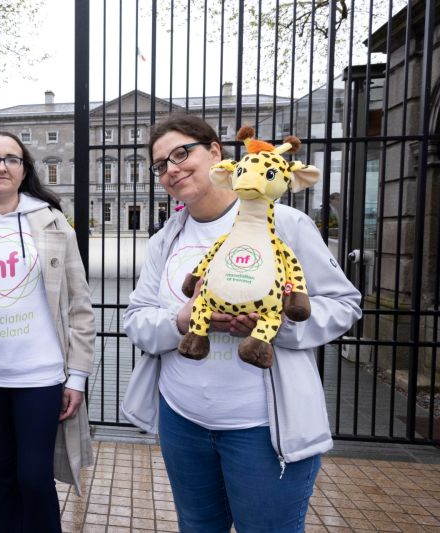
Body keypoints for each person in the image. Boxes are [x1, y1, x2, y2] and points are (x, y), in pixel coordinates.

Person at [123, 114, 362, 532]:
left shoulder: (286, 224)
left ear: (215, 152)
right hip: (182, 422)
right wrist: (182, 320)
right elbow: (137, 318)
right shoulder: (166, 238)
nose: (171, 170)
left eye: (181, 154)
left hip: (263, 430)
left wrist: (273, 325)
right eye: (160, 165)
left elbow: (344, 305)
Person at [0, 132, 95, 533]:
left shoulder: (53, 223)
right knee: (2, 476)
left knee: (34, 477)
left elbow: (79, 306)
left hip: (40, 377)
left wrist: (76, 377)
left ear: (24, 170)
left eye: (12, 158)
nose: (2, 166)